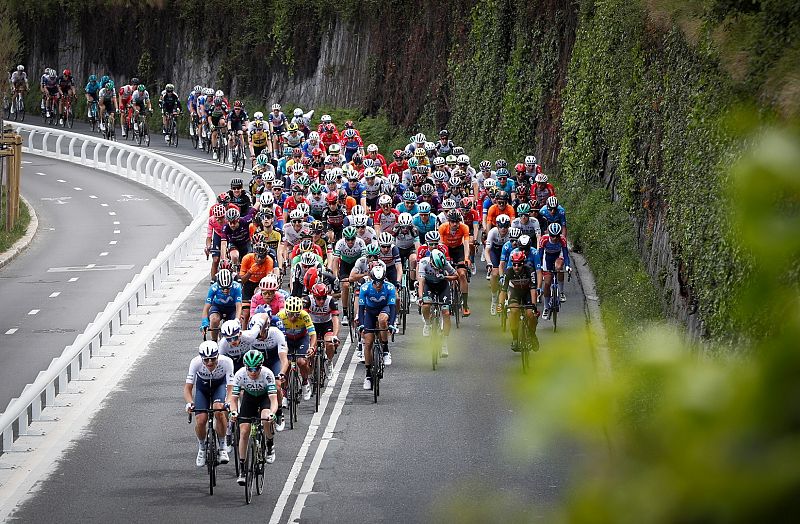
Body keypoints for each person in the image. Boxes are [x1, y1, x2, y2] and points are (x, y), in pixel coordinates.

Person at [230, 349, 279, 485]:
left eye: (256, 369)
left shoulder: (267, 374)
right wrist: (233, 412)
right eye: (250, 369)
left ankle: (269, 443)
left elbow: (274, 400)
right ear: (246, 367)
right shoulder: (239, 375)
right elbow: (233, 399)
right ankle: (242, 469)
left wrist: (272, 413)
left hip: (264, 398)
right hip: (249, 398)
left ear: (260, 366)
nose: (253, 372)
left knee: (265, 417)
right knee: (244, 431)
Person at [184, 341, 234, 467]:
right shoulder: (195, 362)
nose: (210, 363)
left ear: (218, 356)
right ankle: (201, 448)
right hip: (203, 389)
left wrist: (228, 402)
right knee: (201, 420)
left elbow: (230, 387)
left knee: (219, 411)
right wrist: (190, 403)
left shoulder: (226, 362)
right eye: (206, 360)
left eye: (212, 359)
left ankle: (222, 446)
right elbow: (188, 388)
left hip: (219, 386)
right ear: (201, 358)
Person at [358, 265, 398, 390]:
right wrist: (362, 324)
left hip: (383, 308)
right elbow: (360, 309)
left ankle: (385, 349)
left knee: (382, 320)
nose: (378, 284)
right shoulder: (365, 288)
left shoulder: (390, 287)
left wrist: (391, 324)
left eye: (381, 282)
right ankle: (368, 375)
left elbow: (392, 308)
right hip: (369, 311)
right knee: (368, 342)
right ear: (372, 280)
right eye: (376, 282)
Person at [417, 249, 458, 357]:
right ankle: (427, 323)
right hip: (429, 285)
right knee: (426, 305)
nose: (437, 269)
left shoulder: (445, 263)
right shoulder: (423, 262)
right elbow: (421, 281)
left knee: (446, 314)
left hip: (442, 286)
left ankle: (444, 341)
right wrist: (421, 297)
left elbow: (456, 276)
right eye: (436, 267)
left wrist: (445, 277)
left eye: (440, 268)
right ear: (431, 261)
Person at [277, 296, 317, 402]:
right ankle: (284, 392)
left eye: (296, 314)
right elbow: (276, 335)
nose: (293, 317)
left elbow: (313, 334)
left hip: (301, 339)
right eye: (290, 314)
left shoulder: (304, 315)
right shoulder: (280, 316)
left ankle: (304, 381)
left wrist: (312, 347)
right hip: (286, 341)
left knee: (301, 362)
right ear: (286, 312)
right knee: (287, 364)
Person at [502, 250, 541, 352]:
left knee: (530, 315)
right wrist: (501, 304)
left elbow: (533, 289)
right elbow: (503, 290)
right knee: (514, 311)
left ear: (523, 263)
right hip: (515, 293)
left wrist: (534, 306)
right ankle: (515, 338)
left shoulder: (529, 270)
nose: (516, 267)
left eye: (518, 265)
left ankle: (532, 335)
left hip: (527, 293)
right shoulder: (509, 271)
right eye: (514, 265)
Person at [438, 209, 472, 316]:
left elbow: (466, 244)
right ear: (449, 221)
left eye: (457, 221)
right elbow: (440, 245)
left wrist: (466, 258)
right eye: (452, 222)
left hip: (458, 250)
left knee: (462, 274)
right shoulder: (443, 227)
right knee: (447, 273)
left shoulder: (464, 227)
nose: (454, 224)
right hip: (446, 249)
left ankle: (465, 305)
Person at [303, 282, 340, 376]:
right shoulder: (307, 300)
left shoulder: (331, 300)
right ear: (314, 296)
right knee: (311, 348)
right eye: (319, 298)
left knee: (329, 343)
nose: (322, 301)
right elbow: (303, 318)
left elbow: (335, 319)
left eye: (324, 297)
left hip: (326, 324)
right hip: (312, 324)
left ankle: (329, 362)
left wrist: (335, 336)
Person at [537, 222, 571, 320]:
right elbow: (540, 255)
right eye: (552, 236)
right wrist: (540, 268)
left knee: (559, 268)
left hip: (557, 256)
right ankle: (546, 307)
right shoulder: (544, 239)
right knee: (547, 283)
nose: (555, 238)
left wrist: (568, 266)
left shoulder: (562, 240)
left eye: (557, 236)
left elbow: (565, 255)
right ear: (549, 234)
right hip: (547, 258)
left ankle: (561, 292)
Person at [200, 269, 243, 341]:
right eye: (222, 288)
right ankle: (214, 341)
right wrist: (204, 323)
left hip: (232, 308)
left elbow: (239, 306)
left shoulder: (237, 287)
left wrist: (237, 320)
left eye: (228, 288)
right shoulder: (213, 287)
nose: (225, 290)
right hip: (217, 307)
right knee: (214, 320)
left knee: (236, 322)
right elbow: (206, 307)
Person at [484, 214, 512, 315]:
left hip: (508, 252)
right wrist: (489, 263)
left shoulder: (512, 232)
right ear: (497, 226)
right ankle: (494, 299)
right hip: (495, 252)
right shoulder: (492, 232)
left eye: (505, 227)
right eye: (501, 226)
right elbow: (487, 251)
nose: (503, 229)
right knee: (495, 274)